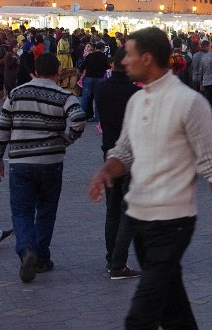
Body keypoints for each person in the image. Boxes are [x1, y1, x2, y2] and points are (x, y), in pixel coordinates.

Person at [87, 26, 212, 328]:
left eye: (129, 55)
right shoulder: (137, 101)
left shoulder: (188, 103)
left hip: (173, 222)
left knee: (140, 316)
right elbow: (125, 152)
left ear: (147, 58)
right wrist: (106, 170)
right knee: (173, 310)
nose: (123, 62)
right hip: (138, 219)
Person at [0, 53, 86, 283]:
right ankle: (42, 257)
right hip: (51, 163)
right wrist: (65, 140)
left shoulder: (15, 94)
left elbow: (2, 127)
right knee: (46, 210)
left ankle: (26, 249)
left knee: (22, 211)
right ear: (58, 73)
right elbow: (79, 119)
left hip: (21, 163)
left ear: (34, 70)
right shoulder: (63, 96)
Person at [93, 47, 142, 279]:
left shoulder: (102, 89)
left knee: (112, 210)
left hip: (109, 154)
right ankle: (118, 263)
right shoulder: (135, 94)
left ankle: (110, 257)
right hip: (132, 157)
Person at [78, 42, 109, 122]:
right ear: (102, 48)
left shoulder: (90, 55)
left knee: (85, 98)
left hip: (89, 78)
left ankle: (80, 116)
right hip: (99, 79)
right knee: (97, 98)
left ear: (95, 48)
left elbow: (82, 66)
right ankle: (97, 118)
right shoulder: (104, 57)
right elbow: (107, 67)